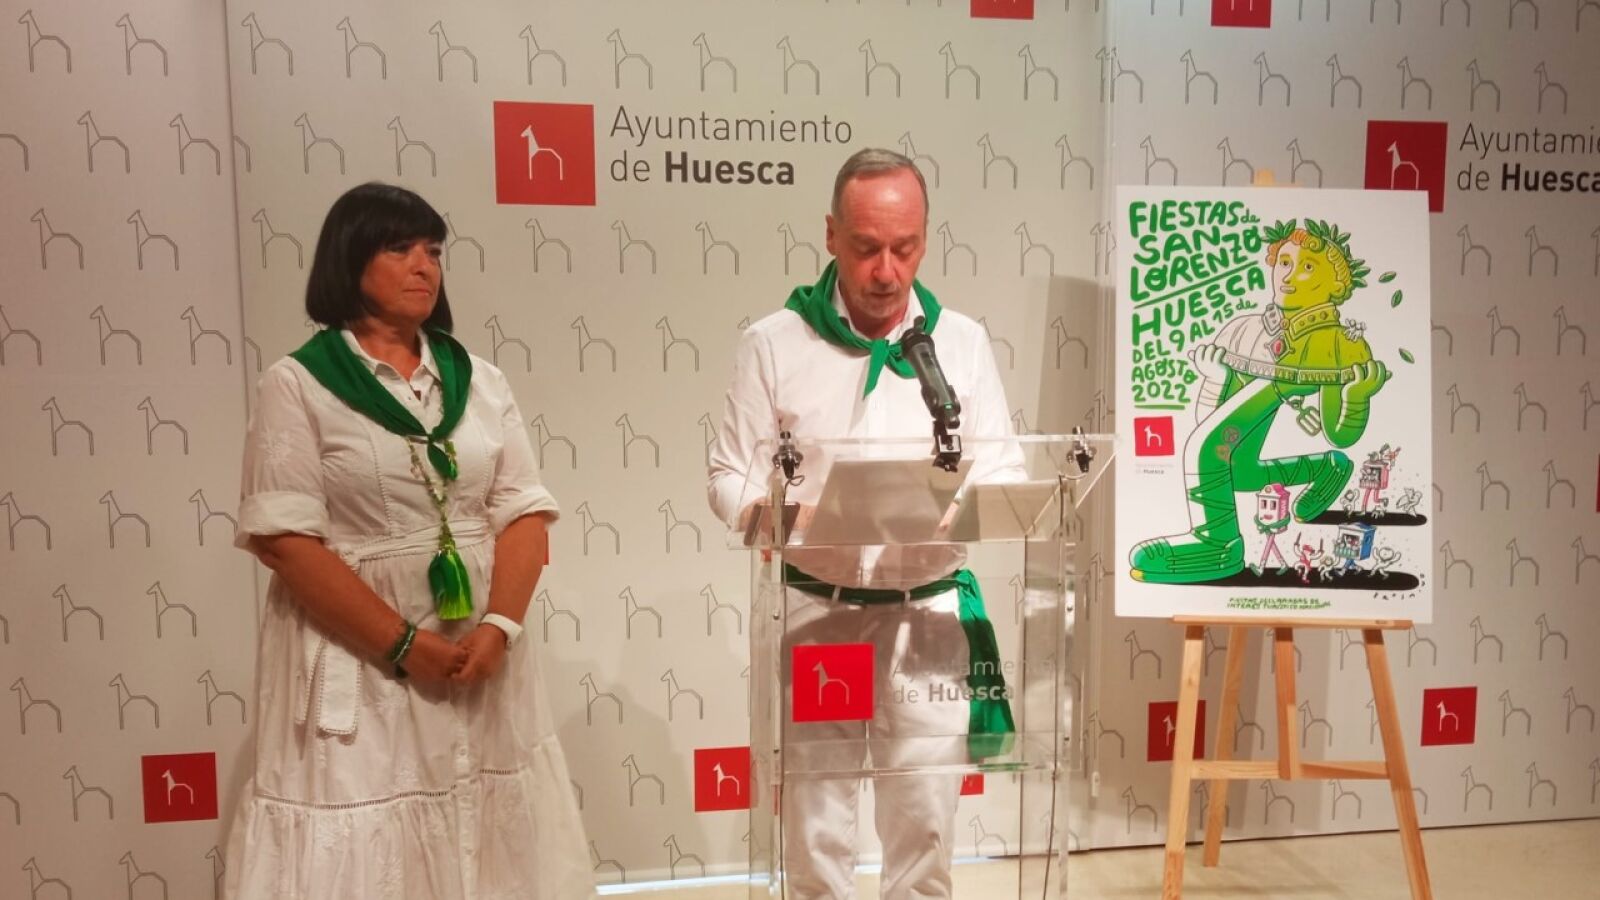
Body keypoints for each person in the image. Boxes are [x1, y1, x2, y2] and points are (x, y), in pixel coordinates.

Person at [224, 183, 593, 899]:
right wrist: (401, 644)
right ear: (349, 258)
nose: (425, 266)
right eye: (400, 249)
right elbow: (285, 542)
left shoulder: (478, 380)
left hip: (481, 655)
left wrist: (500, 625)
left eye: (433, 250)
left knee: (488, 821)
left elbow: (523, 511)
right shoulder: (298, 384)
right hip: (358, 657)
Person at [707, 149, 1018, 900]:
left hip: (929, 617)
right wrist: (793, 517)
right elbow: (727, 476)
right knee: (818, 825)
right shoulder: (774, 342)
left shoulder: (961, 343)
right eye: (866, 247)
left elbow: (1005, 467)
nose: (886, 271)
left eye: (904, 248)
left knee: (926, 822)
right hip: (824, 616)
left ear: (925, 238)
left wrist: (962, 503)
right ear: (830, 235)